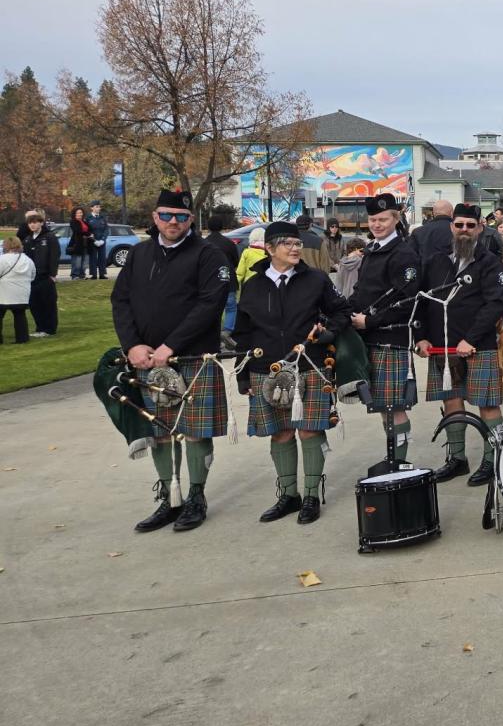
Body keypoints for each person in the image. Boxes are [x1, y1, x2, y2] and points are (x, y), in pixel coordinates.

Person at [112, 188, 232, 532]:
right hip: (148, 359)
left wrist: (170, 345)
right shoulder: (139, 253)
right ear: (155, 217)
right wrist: (132, 345)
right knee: (160, 430)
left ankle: (195, 497)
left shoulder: (208, 255)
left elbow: (210, 305)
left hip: (193, 356)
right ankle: (170, 497)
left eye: (181, 216)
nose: (173, 221)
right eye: (166, 215)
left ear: (191, 219)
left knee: (194, 431)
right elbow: (121, 300)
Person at [232, 221, 351, 525]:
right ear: (269, 248)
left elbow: (341, 311)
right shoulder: (253, 285)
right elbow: (242, 332)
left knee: (310, 429)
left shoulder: (316, 279)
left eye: (297, 243)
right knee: (280, 432)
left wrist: (328, 332)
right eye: (287, 243)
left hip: (309, 364)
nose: (295, 248)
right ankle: (288, 496)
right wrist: (242, 373)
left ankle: (311, 495)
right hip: (266, 368)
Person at [415, 203, 503, 486]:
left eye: (470, 225)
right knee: (451, 401)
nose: (464, 230)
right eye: (459, 225)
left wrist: (471, 338)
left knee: (487, 404)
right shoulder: (435, 260)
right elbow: (422, 300)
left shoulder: (490, 262)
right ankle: (457, 459)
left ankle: (493, 460)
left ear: (480, 228)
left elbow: (496, 304)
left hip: (478, 347)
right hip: (442, 346)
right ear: (451, 227)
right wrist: (421, 336)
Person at [347, 193, 423, 467]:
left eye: (383, 219)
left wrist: (369, 322)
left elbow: (407, 301)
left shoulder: (404, 253)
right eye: (373, 220)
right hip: (370, 337)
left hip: (391, 338)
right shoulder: (372, 249)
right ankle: (392, 456)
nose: (377, 224)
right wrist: (346, 312)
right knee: (382, 404)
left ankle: (398, 462)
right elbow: (361, 291)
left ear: (396, 218)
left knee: (394, 406)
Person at [21, 210, 58, 337]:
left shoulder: (49, 237)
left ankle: (49, 329)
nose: (32, 225)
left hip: (46, 276)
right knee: (34, 304)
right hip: (31, 278)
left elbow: (54, 256)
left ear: (41, 223)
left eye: (35, 222)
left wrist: (53, 274)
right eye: (30, 223)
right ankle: (40, 327)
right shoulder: (28, 239)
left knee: (48, 303)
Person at [0, 237, 36, 343]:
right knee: (20, 315)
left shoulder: (2, 259)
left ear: (5, 246)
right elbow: (33, 276)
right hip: (22, 294)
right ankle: (22, 338)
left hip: (4, 293)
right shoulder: (27, 260)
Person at [66, 206, 91, 280]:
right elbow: (78, 231)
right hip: (77, 244)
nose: (80, 214)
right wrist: (88, 234)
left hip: (86, 244)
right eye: (78, 213)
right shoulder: (73, 222)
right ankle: (75, 275)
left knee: (85, 261)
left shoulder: (85, 222)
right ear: (74, 214)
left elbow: (90, 230)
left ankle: (82, 275)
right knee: (77, 261)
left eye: (81, 212)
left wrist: (87, 234)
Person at [86, 201, 110, 279]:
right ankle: (93, 275)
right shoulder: (88, 218)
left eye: (99, 207)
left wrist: (103, 240)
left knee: (102, 258)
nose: (98, 208)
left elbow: (106, 229)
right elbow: (87, 230)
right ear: (92, 208)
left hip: (102, 241)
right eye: (96, 207)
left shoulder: (103, 217)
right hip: (92, 241)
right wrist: (94, 240)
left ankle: (102, 274)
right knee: (93, 258)